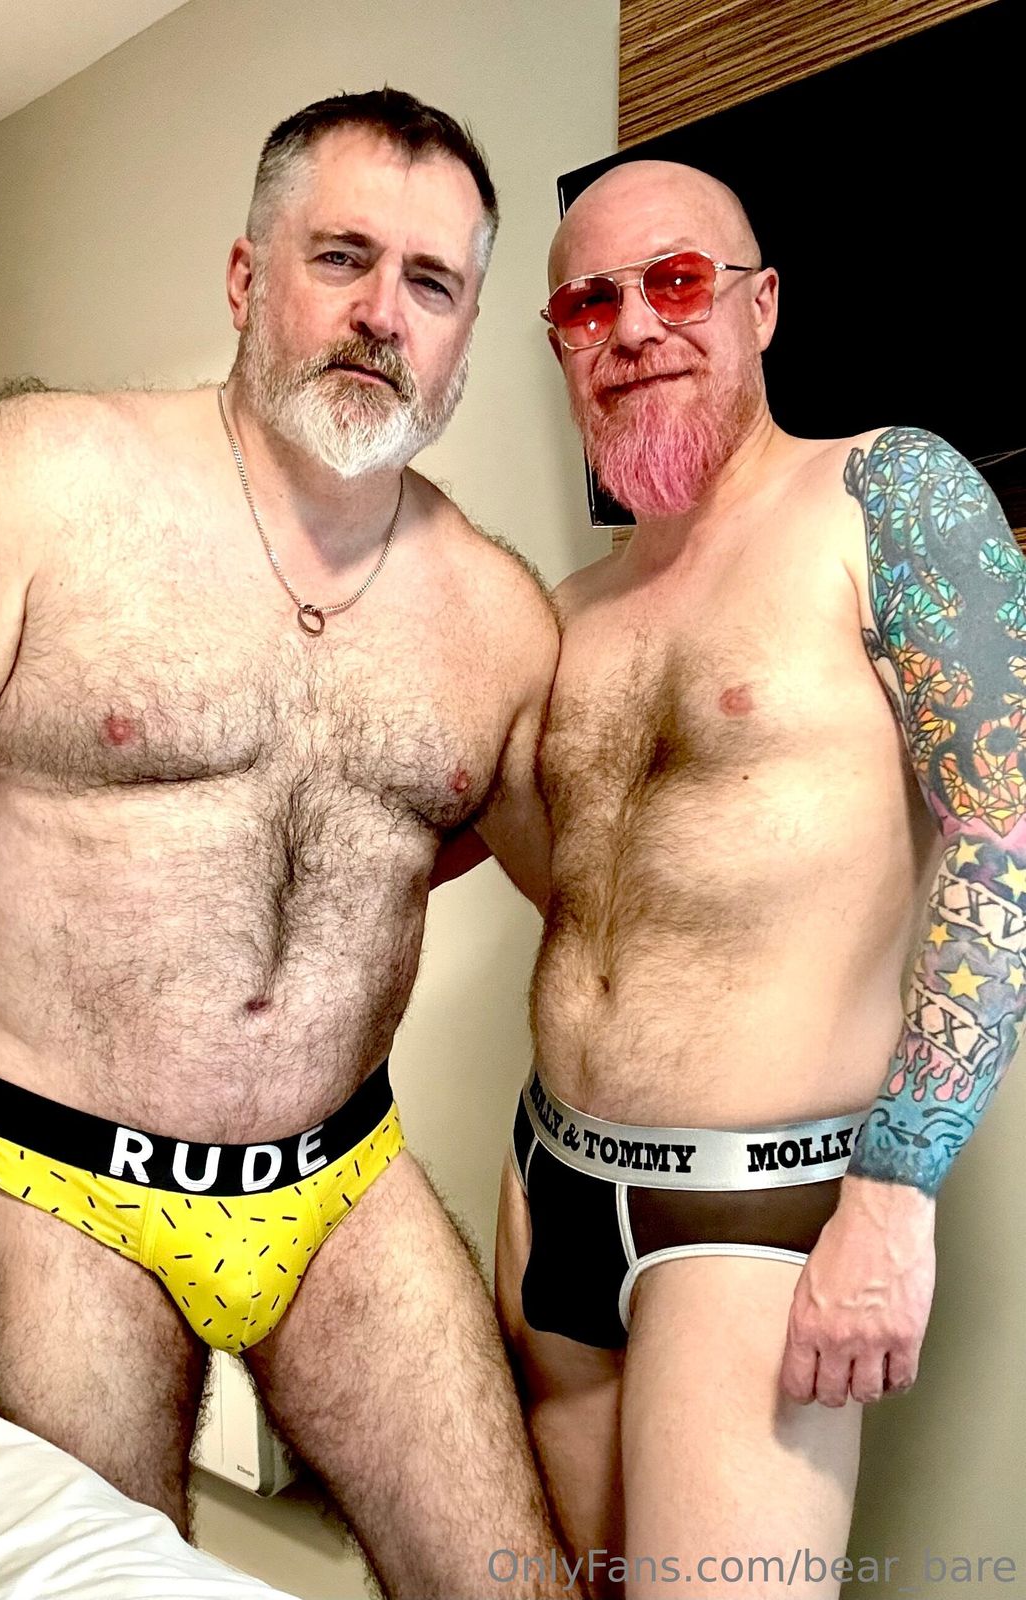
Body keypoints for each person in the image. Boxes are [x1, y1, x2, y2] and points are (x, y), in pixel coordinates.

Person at [0, 88, 569, 1598]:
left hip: (341, 1186)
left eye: (431, 283)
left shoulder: (499, 619)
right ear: (245, 276)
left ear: (466, 334)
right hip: (55, 1189)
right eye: (342, 257)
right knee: (109, 1586)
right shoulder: (41, 480)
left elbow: (557, 883)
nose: (382, 313)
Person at [495, 158, 1026, 1598]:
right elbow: (570, 880)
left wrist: (899, 1188)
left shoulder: (885, 495)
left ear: (764, 304)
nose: (632, 327)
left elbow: (1004, 834)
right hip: (551, 1189)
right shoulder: (571, 609)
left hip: (757, 1217)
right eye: (587, 303)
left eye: (677, 282)